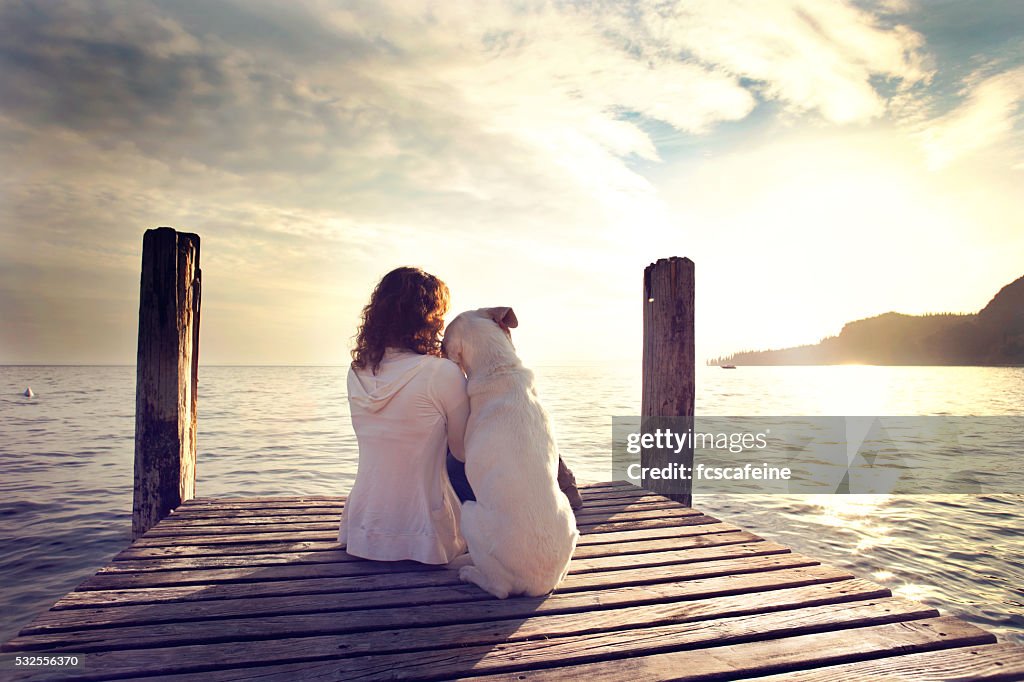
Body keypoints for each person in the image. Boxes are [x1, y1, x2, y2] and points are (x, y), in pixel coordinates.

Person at [339, 267, 469, 564]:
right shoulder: (442, 372)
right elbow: (462, 452)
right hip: (426, 535)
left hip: (362, 529)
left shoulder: (356, 370)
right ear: (430, 318)